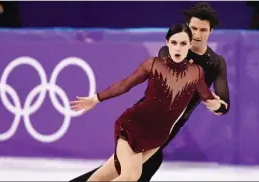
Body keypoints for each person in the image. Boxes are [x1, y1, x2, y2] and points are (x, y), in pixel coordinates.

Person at [69, 2, 230, 182]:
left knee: (110, 173)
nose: (198, 35)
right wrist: (96, 98)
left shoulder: (211, 65)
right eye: (194, 29)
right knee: (132, 175)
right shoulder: (165, 57)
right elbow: (140, 82)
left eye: (203, 30)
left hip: (165, 130)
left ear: (211, 31)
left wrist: (216, 105)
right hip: (142, 122)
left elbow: (220, 104)